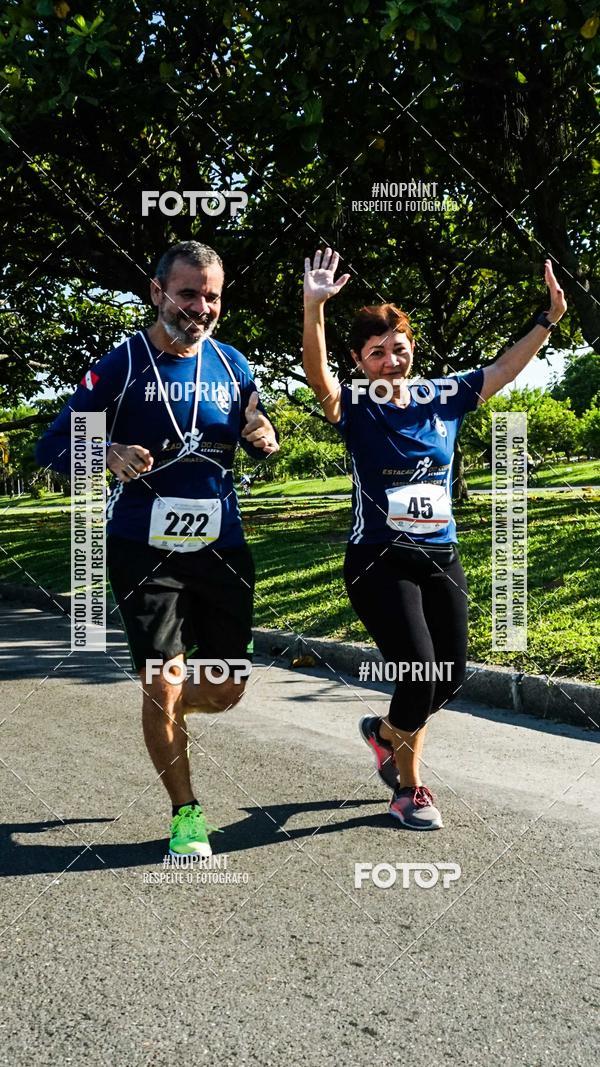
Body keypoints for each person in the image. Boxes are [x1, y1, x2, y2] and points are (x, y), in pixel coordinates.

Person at [302, 247, 566, 829]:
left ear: (411, 348)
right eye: (377, 353)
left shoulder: (441, 397)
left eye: (399, 348)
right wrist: (313, 306)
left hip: (439, 556)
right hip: (378, 559)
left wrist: (549, 319)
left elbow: (503, 369)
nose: (391, 360)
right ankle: (409, 789)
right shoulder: (356, 404)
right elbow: (317, 375)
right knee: (419, 669)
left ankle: (384, 734)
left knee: (448, 675)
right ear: (360, 361)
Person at [36, 241, 279, 857]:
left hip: (221, 546)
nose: (200, 306)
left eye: (212, 295)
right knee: (163, 679)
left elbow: (254, 426)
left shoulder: (233, 365)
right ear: (157, 292)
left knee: (224, 689)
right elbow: (53, 448)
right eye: (188, 292)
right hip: (143, 548)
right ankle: (186, 812)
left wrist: (261, 433)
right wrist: (107, 454)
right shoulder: (120, 366)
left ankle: (167, 714)